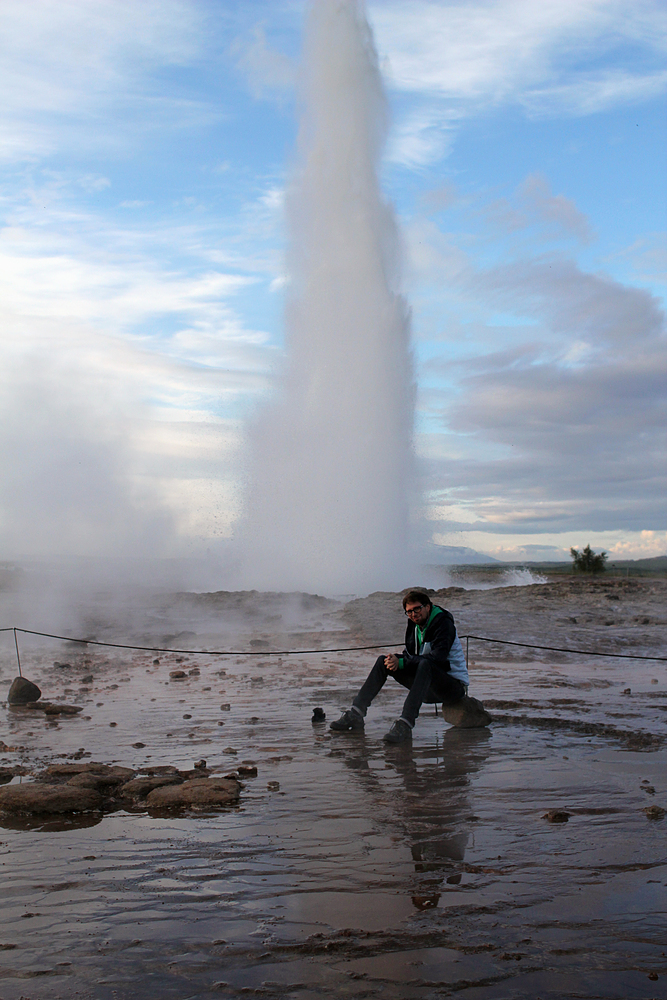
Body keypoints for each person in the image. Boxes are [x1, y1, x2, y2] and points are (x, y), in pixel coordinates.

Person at [330, 590, 468, 744]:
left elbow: (438, 658)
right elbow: (410, 655)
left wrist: (403, 662)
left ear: (428, 607)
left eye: (417, 609)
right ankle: (356, 713)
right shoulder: (414, 625)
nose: (413, 614)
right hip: (426, 685)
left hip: (452, 687)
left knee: (426, 664)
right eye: (409, 611)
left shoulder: (443, 623)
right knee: (384, 661)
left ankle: (405, 724)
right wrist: (396, 660)